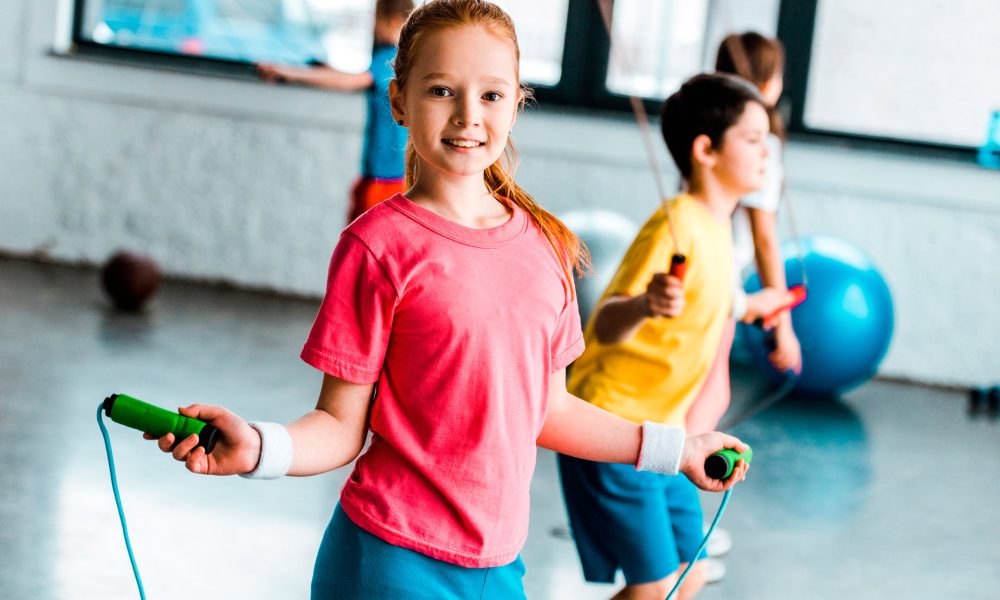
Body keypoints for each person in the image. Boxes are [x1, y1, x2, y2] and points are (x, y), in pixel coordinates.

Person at [149, 3, 750, 599]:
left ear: (516, 103)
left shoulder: (548, 246)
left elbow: (550, 410)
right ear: (399, 102)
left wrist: (679, 449)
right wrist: (259, 447)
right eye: (441, 90)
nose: (468, 115)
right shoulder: (376, 246)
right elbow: (338, 424)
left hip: (498, 567)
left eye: (491, 95)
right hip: (389, 563)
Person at [559, 73, 792, 600]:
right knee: (656, 586)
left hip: (669, 432)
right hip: (616, 423)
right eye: (753, 139)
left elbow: (715, 296)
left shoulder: (718, 226)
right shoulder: (674, 224)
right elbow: (607, 322)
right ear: (706, 151)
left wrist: (754, 306)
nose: (766, 153)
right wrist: (645, 304)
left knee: (691, 574)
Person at [685, 32, 803, 437]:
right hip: (718, 276)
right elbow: (765, 238)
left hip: (697, 265)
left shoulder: (705, 129)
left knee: (697, 385)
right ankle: (681, 462)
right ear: (768, 83)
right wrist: (783, 324)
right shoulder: (758, 144)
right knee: (709, 392)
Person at [257, 0, 413, 224]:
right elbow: (359, 77)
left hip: (383, 181)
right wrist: (325, 69)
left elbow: (353, 81)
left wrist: (291, 73)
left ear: (393, 21)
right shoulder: (401, 61)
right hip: (389, 178)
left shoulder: (389, 56)